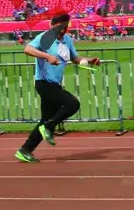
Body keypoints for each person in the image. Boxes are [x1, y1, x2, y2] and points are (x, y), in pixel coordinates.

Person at [14, 13, 100, 163]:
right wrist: (47, 56)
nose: (62, 30)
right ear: (52, 26)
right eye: (59, 27)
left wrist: (90, 60)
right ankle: (49, 127)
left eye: (65, 27)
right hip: (44, 83)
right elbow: (27, 49)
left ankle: (25, 150)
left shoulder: (67, 40)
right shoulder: (46, 38)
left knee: (45, 119)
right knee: (73, 104)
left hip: (55, 84)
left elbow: (75, 58)